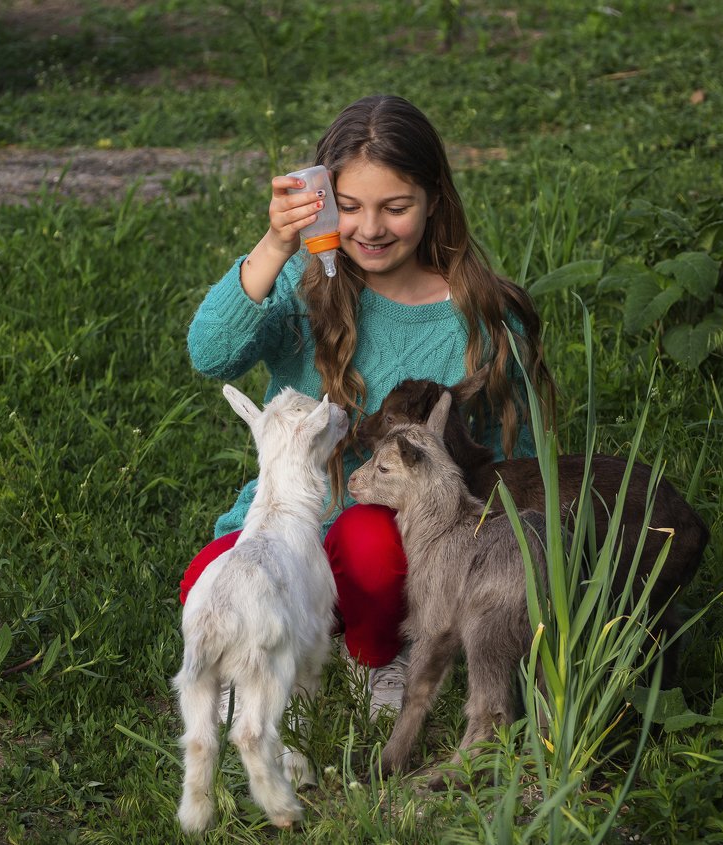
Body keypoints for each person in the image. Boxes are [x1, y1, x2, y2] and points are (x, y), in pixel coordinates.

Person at [180, 94, 555, 716]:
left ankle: (379, 656)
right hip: (290, 527)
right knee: (207, 580)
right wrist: (275, 246)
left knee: (369, 545)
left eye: (396, 207)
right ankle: (280, 659)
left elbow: (512, 453)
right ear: (322, 203)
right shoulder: (303, 287)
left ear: (435, 200)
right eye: (349, 207)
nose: (372, 228)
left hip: (393, 544)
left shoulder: (480, 317)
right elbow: (210, 353)